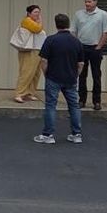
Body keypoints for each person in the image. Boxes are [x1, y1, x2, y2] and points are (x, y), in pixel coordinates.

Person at [36, 13, 86, 144]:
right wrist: (76, 75)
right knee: (74, 106)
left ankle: (48, 135)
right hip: (70, 78)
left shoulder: (51, 40)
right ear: (68, 24)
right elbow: (81, 63)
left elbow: (43, 60)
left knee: (51, 105)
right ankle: (76, 134)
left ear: (56, 24)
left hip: (54, 76)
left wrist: (47, 74)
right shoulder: (77, 42)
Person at [72, 0, 107, 110]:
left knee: (96, 75)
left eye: (89, 1)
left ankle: (97, 101)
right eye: (86, 1)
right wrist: (77, 45)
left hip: (95, 47)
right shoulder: (78, 14)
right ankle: (81, 100)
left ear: (95, 2)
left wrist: (99, 46)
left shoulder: (102, 14)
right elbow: (73, 30)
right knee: (82, 75)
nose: (87, 4)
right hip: (82, 47)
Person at [8, 4, 46, 103]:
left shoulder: (33, 22)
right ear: (29, 13)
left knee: (36, 73)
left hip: (37, 50)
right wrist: (40, 22)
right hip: (29, 50)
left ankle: (30, 92)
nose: (38, 14)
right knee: (27, 72)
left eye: (39, 12)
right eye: (35, 12)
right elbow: (37, 29)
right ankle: (19, 93)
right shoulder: (27, 21)